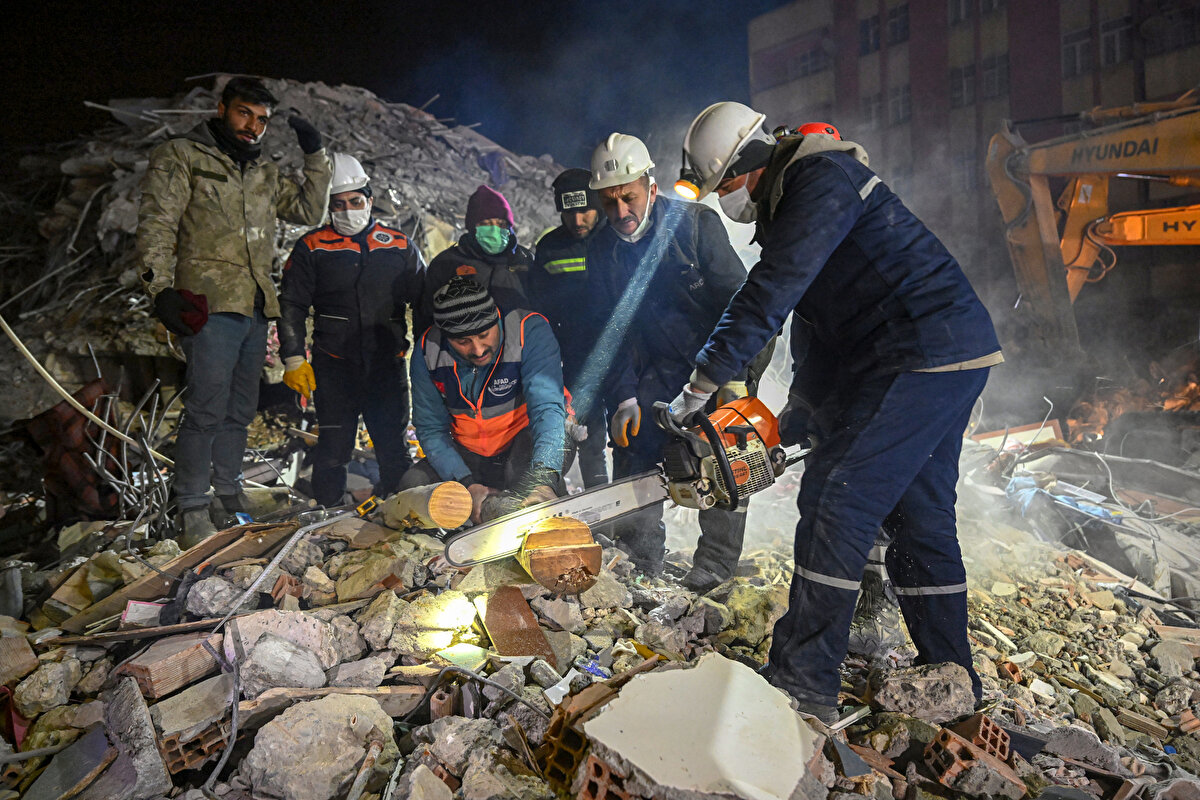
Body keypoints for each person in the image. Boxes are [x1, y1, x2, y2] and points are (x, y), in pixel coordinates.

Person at [669, 101, 1003, 722]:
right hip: (939, 350)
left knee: (838, 498)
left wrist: (700, 385)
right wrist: (798, 414)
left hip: (919, 348)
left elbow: (771, 292)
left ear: (746, 166)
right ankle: (952, 678)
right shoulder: (799, 198)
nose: (724, 203)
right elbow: (818, 325)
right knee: (919, 514)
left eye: (724, 188)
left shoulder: (819, 182)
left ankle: (804, 679)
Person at [137, 76, 331, 546]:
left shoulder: (262, 171)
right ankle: (192, 507)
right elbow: (158, 222)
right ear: (223, 108)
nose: (253, 126)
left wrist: (315, 155)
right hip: (207, 303)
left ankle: (228, 497)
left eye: (262, 120)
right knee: (205, 406)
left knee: (240, 410)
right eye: (245, 113)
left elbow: (309, 210)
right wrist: (158, 287)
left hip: (254, 305)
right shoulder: (182, 155)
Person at [587, 132, 763, 593]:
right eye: (609, 203)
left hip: (722, 358)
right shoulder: (603, 251)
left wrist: (735, 378)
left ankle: (715, 566)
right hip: (661, 365)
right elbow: (614, 330)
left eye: (627, 198)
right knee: (633, 442)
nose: (621, 213)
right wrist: (624, 394)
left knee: (724, 457)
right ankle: (640, 555)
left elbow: (746, 306)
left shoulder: (695, 225)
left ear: (649, 184)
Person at [277, 153, 425, 506]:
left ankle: (401, 516)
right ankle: (327, 514)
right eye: (338, 204)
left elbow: (424, 304)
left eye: (355, 202)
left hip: (386, 366)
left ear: (370, 200)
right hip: (334, 366)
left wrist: (426, 354)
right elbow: (291, 304)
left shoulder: (399, 246)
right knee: (333, 448)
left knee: (393, 446)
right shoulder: (312, 247)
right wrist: (294, 357)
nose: (347, 211)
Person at [401, 276, 566, 524]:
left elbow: (547, 408)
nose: (477, 350)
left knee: (524, 486)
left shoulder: (527, 330)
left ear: (496, 319)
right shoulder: (428, 350)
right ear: (447, 337)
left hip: (524, 443)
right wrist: (465, 483)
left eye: (484, 335)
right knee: (413, 486)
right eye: (462, 341)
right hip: (470, 452)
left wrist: (543, 477)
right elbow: (431, 429)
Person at [529, 168, 610, 489]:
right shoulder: (550, 248)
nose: (577, 220)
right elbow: (539, 309)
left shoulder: (617, 239)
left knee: (625, 435)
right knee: (584, 432)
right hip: (573, 358)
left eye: (584, 210)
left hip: (622, 356)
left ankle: (633, 516)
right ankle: (591, 499)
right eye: (568, 212)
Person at [416, 185, 533, 335]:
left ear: (509, 227)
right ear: (472, 227)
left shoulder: (525, 261)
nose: (494, 230)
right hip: (465, 351)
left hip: (518, 349)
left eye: (501, 224)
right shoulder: (447, 263)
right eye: (485, 224)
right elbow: (426, 315)